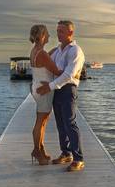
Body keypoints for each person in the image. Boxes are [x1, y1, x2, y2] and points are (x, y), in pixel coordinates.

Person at [36, 20, 85, 172]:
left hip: (68, 89)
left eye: (61, 31)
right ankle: (66, 153)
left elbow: (68, 75)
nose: (58, 34)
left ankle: (78, 158)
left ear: (70, 33)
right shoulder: (58, 50)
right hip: (56, 90)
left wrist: (48, 87)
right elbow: (49, 64)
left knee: (70, 123)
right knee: (60, 124)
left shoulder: (75, 51)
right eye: (57, 31)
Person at [28, 24, 63, 165]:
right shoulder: (41, 53)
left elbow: (42, 62)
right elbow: (56, 71)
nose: (49, 35)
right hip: (44, 89)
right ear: (42, 35)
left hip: (37, 86)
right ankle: (36, 150)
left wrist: (54, 51)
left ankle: (41, 149)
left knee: (42, 121)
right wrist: (74, 71)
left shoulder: (35, 51)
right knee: (40, 122)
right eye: (47, 33)